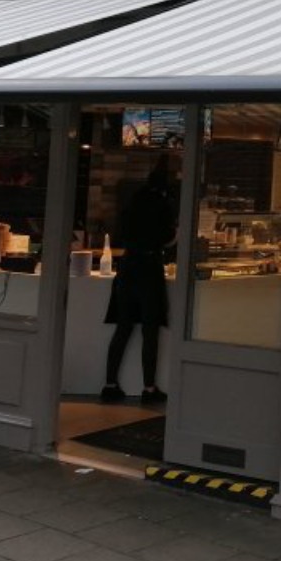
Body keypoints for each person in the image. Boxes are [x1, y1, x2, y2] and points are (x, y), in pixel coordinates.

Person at [101, 160, 180, 404]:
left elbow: (122, 232)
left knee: (123, 327)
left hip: (127, 267)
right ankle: (149, 388)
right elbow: (167, 239)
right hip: (149, 268)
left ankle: (110, 384)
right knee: (150, 329)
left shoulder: (132, 202)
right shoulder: (164, 204)